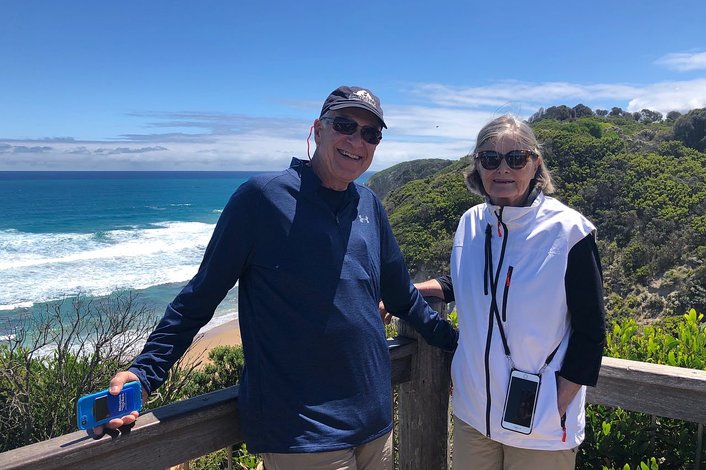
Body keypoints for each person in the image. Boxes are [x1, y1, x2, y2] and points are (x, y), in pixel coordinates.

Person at [98, 85, 458, 470]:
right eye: (345, 125)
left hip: (374, 422)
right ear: (317, 129)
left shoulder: (368, 203)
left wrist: (454, 342)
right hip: (303, 432)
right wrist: (145, 372)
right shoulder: (262, 199)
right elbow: (200, 297)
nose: (357, 141)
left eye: (370, 134)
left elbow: (401, 294)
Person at [382, 115, 605, 469]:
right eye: (490, 159)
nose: (503, 169)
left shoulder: (569, 232)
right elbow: (465, 282)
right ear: (477, 166)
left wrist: (555, 405)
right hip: (474, 417)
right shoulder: (470, 223)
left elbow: (592, 332)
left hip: (540, 428)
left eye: (516, 158)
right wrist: (404, 293)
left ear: (535, 163)